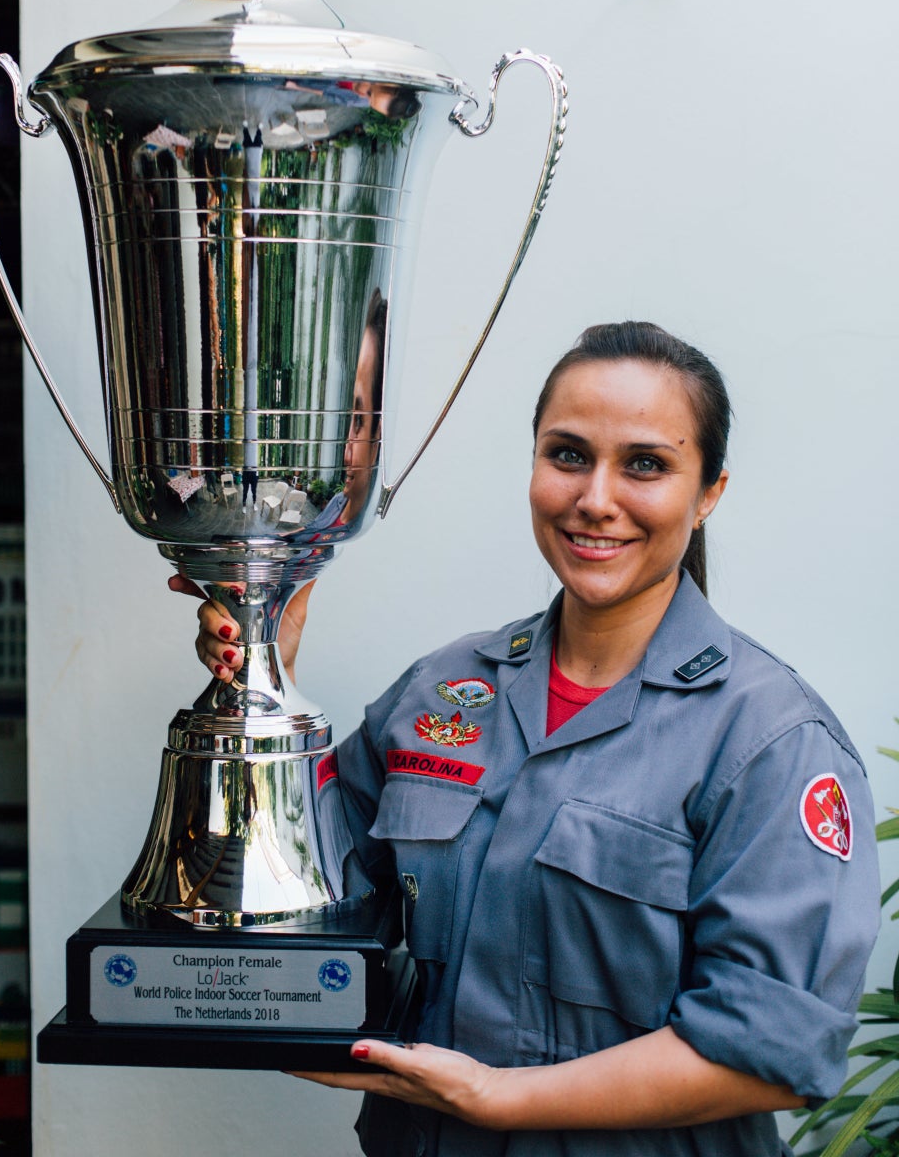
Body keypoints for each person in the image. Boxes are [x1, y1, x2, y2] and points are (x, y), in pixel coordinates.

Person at [173, 320, 880, 1156]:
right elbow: (314, 893)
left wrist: (502, 1099)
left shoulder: (769, 739)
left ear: (710, 491)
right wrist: (267, 684)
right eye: (569, 454)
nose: (596, 498)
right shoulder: (443, 689)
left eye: (646, 464)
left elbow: (774, 1052)